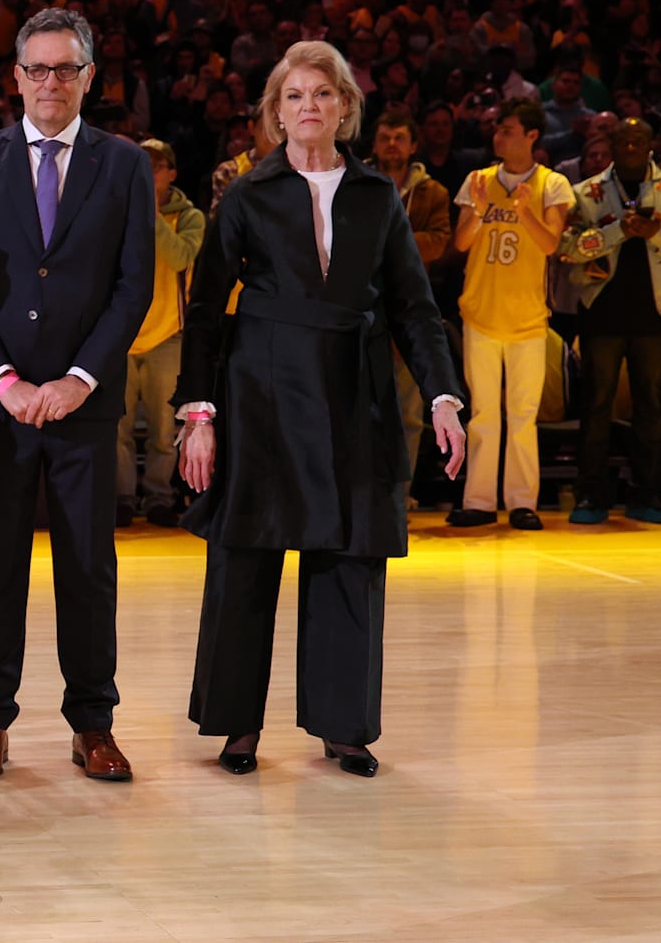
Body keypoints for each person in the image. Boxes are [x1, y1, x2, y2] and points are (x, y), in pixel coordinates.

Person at [176, 41, 465, 778]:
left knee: (349, 557)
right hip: (259, 393)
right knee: (245, 558)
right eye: (294, 97)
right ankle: (237, 726)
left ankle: (343, 729)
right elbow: (207, 308)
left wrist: (442, 396)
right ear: (275, 114)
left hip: (355, 393)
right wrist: (198, 413)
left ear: (345, 107)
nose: (309, 107)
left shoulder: (378, 197)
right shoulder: (246, 195)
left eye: (323, 94)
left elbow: (413, 307)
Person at [0, 7, 155, 784]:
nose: (50, 82)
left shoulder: (126, 165)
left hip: (84, 406)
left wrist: (75, 380)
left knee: (88, 569)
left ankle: (92, 723)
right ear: (17, 77)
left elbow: (134, 290)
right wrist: (5, 380)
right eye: (37, 68)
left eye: (66, 69)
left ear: (89, 77)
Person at [560, 118, 661, 524]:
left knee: (652, 408)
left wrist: (656, 234)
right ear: (611, 143)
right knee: (596, 407)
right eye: (623, 140)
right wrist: (618, 233)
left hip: (658, 313)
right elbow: (567, 247)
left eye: (638, 140)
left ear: (651, 145)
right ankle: (591, 496)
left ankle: (647, 496)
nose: (630, 146)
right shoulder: (585, 193)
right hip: (601, 312)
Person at [449, 99, 573, 529]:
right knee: (483, 413)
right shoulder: (478, 180)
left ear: (532, 135)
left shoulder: (551, 184)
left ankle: (523, 502)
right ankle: (479, 501)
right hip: (481, 311)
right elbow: (462, 243)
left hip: (527, 318)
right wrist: (481, 210)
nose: (498, 137)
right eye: (497, 130)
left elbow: (551, 243)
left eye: (507, 129)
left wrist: (524, 211)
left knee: (522, 415)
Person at [121, 138, 204, 527]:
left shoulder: (189, 217)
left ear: (171, 173)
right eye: (141, 164)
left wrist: (150, 213)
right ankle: (120, 496)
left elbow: (179, 257)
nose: (147, 171)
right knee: (115, 430)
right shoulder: (116, 209)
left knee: (162, 429)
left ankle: (158, 496)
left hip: (167, 335)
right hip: (120, 336)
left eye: (155, 166)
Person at [369, 108, 453, 485]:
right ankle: (359, 500)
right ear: (374, 143)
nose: (391, 145)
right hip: (362, 312)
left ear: (414, 145)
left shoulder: (432, 192)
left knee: (409, 415)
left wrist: (387, 242)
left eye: (399, 138)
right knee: (358, 412)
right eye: (385, 137)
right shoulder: (357, 185)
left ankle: (398, 499)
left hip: (408, 313)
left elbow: (439, 242)